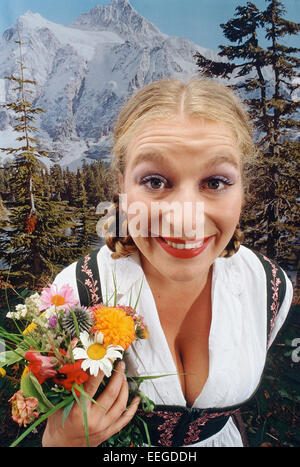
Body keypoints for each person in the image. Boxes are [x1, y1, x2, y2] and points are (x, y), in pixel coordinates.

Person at [42, 78, 293, 447]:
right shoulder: (74, 295)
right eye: (156, 181)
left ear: (244, 190)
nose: (185, 220)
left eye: (216, 182)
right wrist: (61, 441)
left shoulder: (270, 288)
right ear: (121, 187)